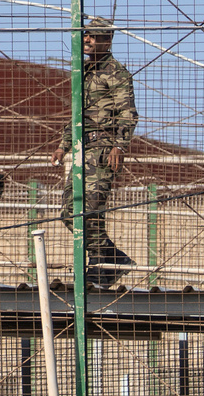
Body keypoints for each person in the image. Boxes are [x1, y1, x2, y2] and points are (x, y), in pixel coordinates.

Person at [50, 16, 139, 288]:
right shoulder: (83, 71)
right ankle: (109, 261)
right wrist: (63, 145)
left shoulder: (116, 73)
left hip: (102, 150)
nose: (87, 39)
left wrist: (119, 145)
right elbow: (78, 115)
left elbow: (128, 113)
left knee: (87, 211)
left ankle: (103, 266)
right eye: (85, 34)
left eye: (94, 36)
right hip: (81, 149)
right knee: (69, 213)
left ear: (107, 40)